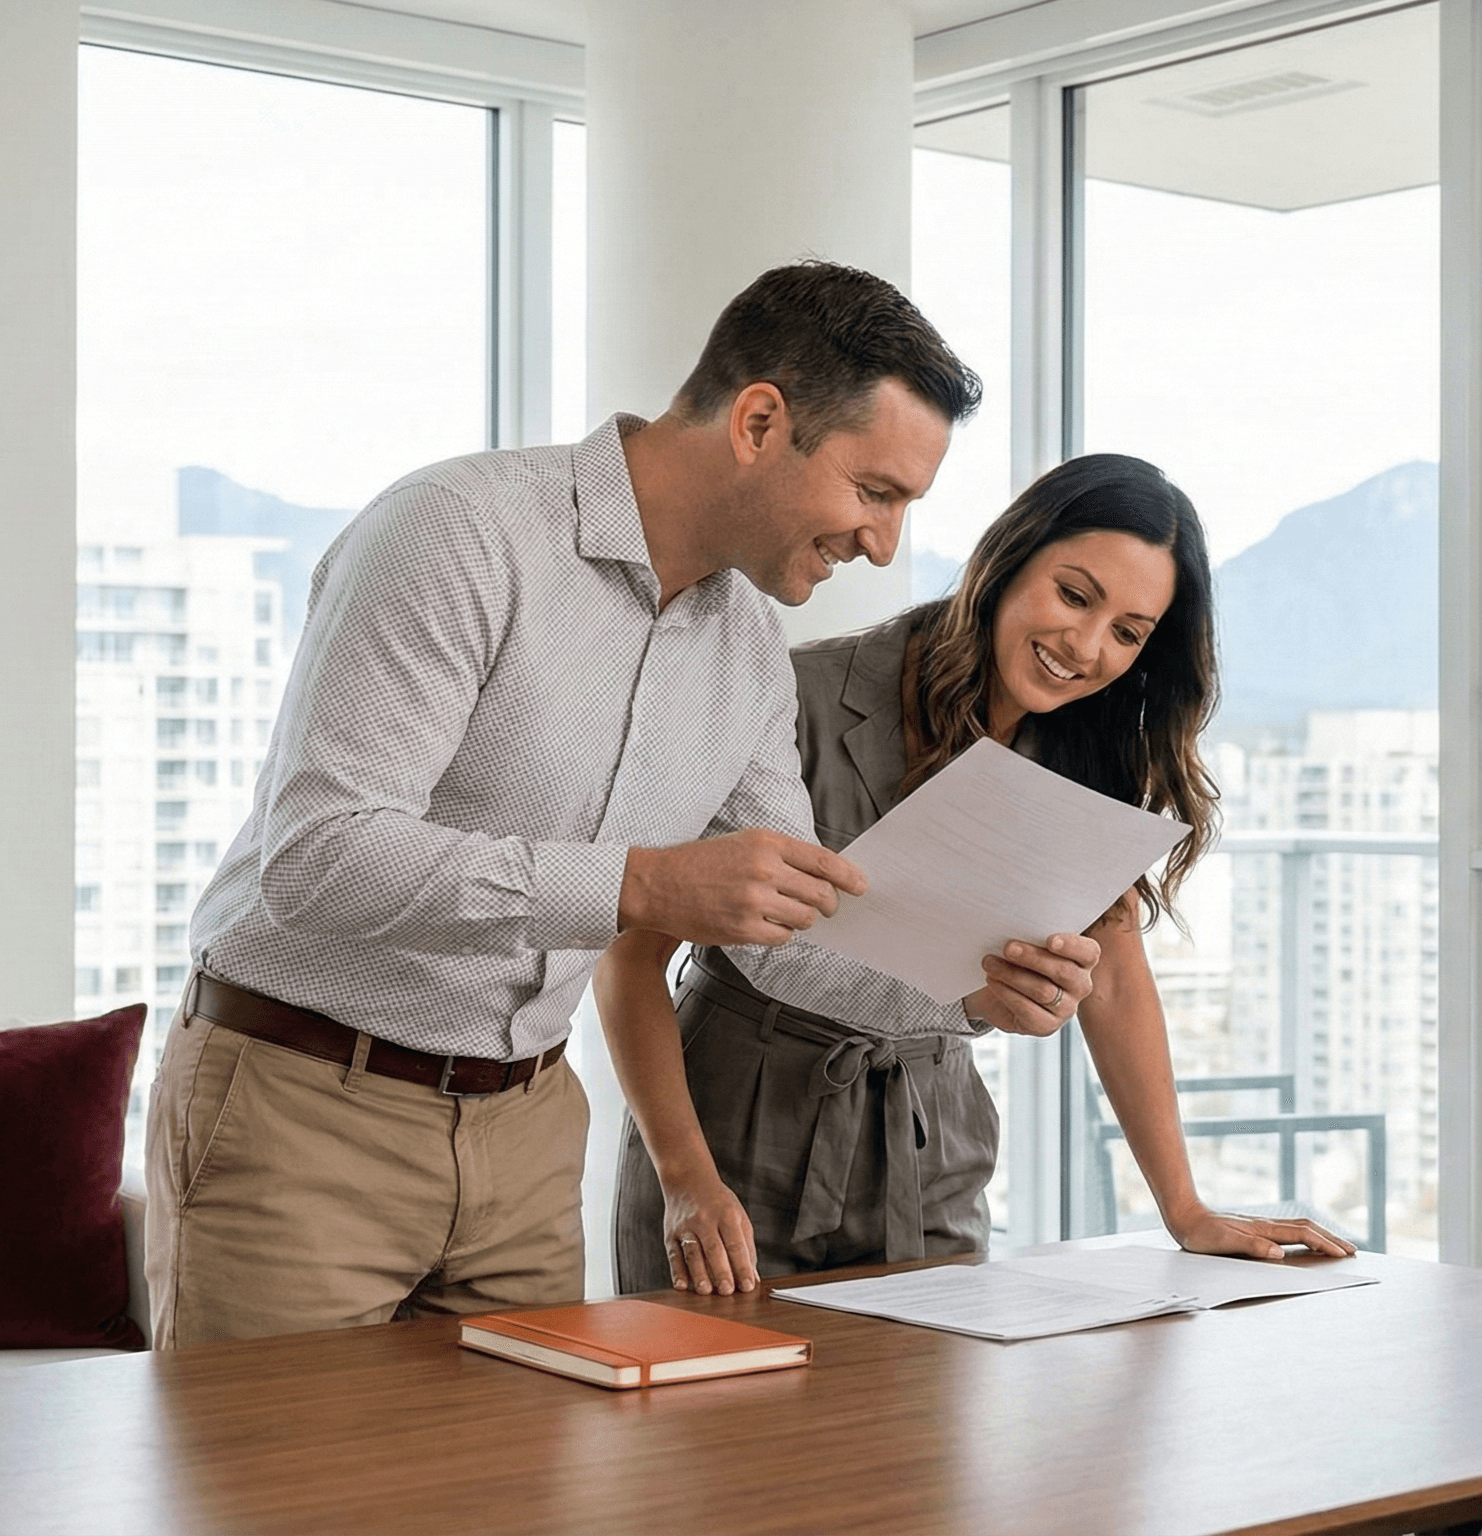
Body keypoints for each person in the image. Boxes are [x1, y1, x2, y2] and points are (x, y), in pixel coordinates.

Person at [142, 260, 1053, 1346]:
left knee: (516, 1503)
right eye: (876, 491)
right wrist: (644, 883)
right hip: (297, 1108)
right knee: (278, 1506)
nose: (885, 543)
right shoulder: (455, 533)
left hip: (528, 1134)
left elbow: (781, 936)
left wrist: (972, 994)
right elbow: (319, 860)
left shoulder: (750, 651)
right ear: (760, 421)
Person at [603, 453, 1356, 1298]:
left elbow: (1113, 983)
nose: (1086, 646)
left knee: (929, 1429)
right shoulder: (796, 692)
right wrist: (684, 1178)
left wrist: (1184, 1209)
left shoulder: (1087, 751)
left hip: (932, 1152)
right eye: (1073, 595)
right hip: (731, 1145)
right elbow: (629, 960)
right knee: (713, 1428)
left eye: (1128, 633)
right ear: (1008, 558)